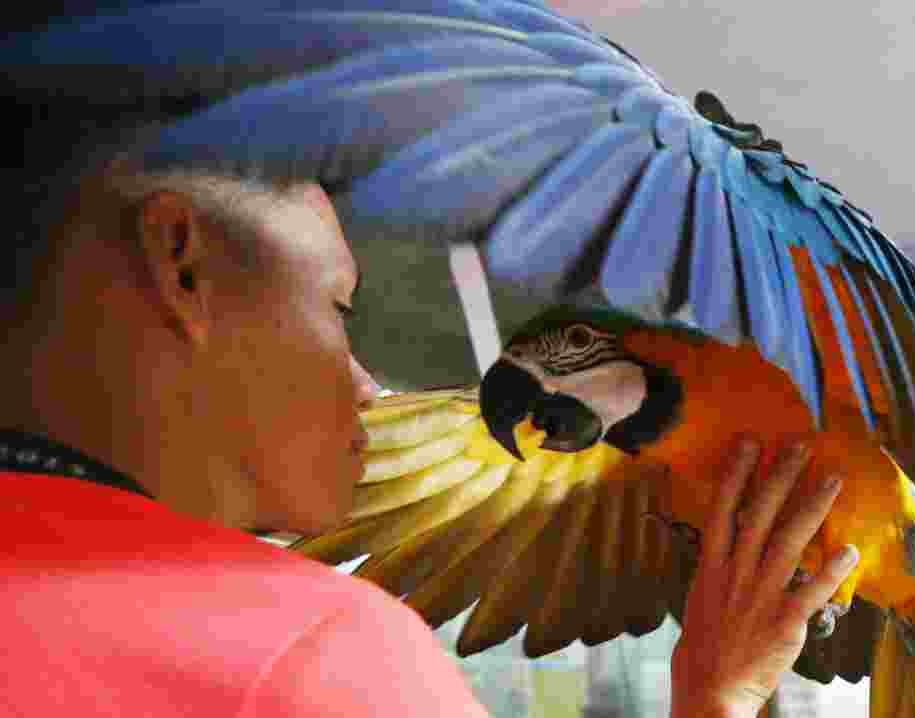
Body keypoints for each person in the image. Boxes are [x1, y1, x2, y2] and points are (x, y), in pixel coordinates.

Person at [0, 154, 859, 716]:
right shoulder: (321, 656)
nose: (367, 385)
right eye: (339, 309)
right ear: (182, 264)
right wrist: (722, 698)